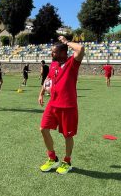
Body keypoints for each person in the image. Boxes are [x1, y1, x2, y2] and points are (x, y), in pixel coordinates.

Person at [38, 36, 84, 175]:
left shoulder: (72, 63)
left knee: (67, 135)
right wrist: (40, 93)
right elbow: (48, 78)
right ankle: (52, 158)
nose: (52, 54)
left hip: (68, 106)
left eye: (54, 52)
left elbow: (80, 49)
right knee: (43, 129)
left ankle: (67, 161)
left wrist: (66, 42)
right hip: (53, 104)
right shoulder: (53, 64)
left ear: (64, 52)